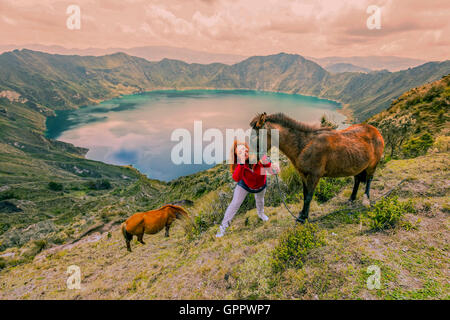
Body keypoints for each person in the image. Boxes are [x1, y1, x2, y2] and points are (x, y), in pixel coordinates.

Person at [216, 140, 280, 238]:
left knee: (260, 200)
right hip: (245, 185)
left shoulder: (259, 157)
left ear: (248, 149)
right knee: (235, 204)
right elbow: (236, 178)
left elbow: (271, 169)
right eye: (240, 152)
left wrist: (273, 167)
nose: (244, 153)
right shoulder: (239, 164)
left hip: (260, 185)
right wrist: (241, 164)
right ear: (237, 156)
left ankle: (261, 214)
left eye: (244, 150)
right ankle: (223, 227)